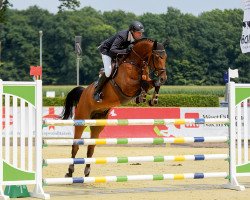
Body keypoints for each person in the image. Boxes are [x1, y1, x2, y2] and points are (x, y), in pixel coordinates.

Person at [93, 21, 144, 102]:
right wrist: (126, 50)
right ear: (132, 32)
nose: (140, 35)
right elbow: (112, 50)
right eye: (138, 33)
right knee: (108, 72)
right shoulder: (122, 36)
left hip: (119, 52)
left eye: (141, 33)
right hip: (107, 51)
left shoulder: (137, 38)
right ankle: (96, 92)